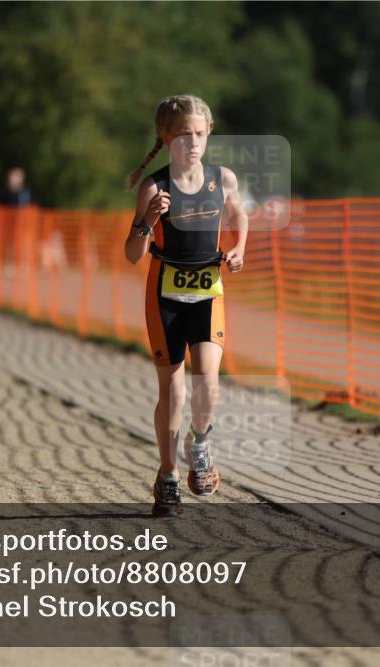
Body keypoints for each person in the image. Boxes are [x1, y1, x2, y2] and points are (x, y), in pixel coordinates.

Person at [123, 95, 248, 516]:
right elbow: (132, 254)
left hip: (208, 294)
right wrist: (148, 220)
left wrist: (239, 249)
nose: (192, 143)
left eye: (198, 134)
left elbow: (239, 214)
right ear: (165, 137)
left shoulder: (222, 179)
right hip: (165, 300)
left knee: (208, 382)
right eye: (181, 135)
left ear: (208, 133)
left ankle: (200, 444)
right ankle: (168, 475)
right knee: (173, 391)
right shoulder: (154, 187)